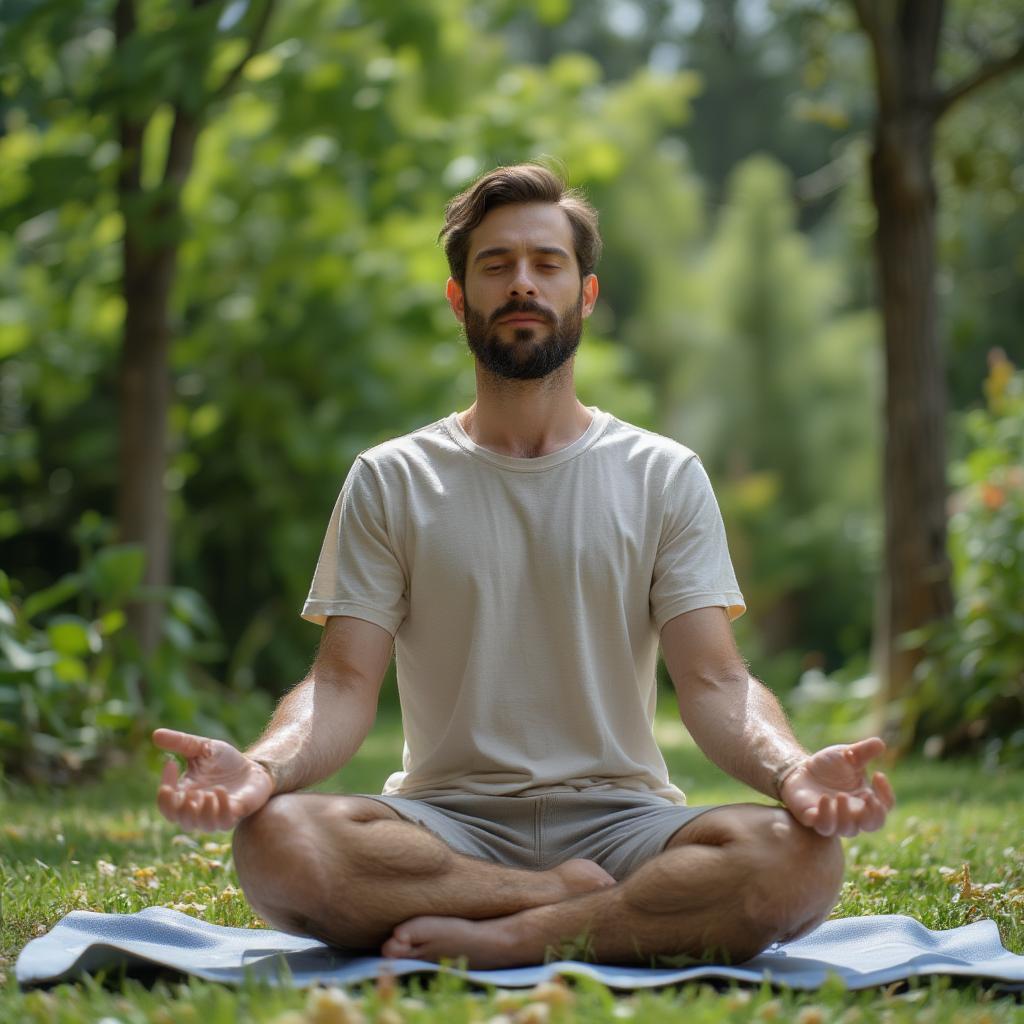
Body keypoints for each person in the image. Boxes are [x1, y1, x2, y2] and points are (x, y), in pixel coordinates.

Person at [153, 163, 894, 969]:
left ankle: (516, 935)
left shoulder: (663, 475)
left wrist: (791, 773)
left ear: (586, 294)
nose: (522, 283)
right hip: (444, 826)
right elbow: (341, 684)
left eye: (547, 263)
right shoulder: (390, 478)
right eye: (496, 265)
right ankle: (558, 902)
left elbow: (714, 682)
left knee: (802, 862)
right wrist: (260, 769)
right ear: (458, 298)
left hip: (624, 821)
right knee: (277, 844)